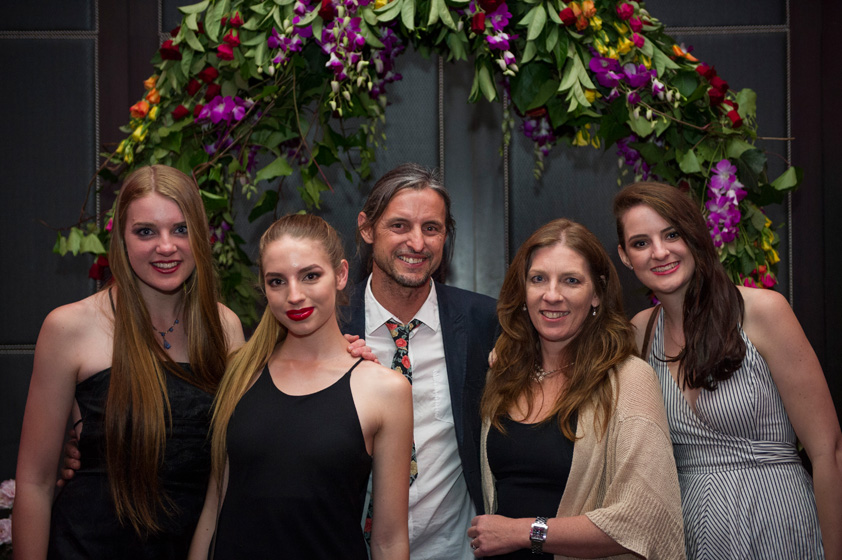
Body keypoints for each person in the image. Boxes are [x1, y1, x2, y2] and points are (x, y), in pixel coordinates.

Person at [14, 165, 246, 559]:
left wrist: (335, 354)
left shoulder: (224, 328)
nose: (166, 247)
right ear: (121, 239)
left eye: (180, 229)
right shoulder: (69, 327)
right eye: (146, 232)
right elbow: (35, 483)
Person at [614, 181, 842, 559]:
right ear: (625, 256)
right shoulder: (640, 331)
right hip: (691, 536)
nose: (659, 252)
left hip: (777, 526)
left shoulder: (762, 312)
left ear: (694, 235)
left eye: (671, 234)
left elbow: (828, 451)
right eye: (641, 242)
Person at [188, 213, 413, 559]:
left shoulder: (386, 389)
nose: (294, 295)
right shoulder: (240, 373)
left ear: (340, 275)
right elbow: (213, 507)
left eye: (310, 276)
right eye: (277, 281)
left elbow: (390, 540)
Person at [468, 218, 685, 560]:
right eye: (538, 279)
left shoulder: (628, 380)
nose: (552, 295)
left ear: (596, 294)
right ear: (523, 291)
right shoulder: (504, 376)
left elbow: (646, 519)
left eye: (571, 281)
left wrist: (525, 532)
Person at [345, 162, 499, 559]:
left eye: (431, 228)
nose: (417, 243)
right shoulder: (330, 325)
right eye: (399, 226)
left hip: (455, 550)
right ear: (367, 228)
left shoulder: (484, 322)